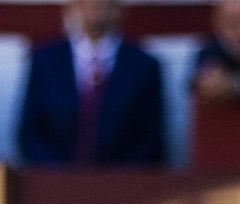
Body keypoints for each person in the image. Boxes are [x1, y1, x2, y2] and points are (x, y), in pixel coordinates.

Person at [17, 0, 166, 166]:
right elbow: (30, 132)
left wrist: (114, 182)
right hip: (55, 182)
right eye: (87, 3)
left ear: (119, 9)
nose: (95, 7)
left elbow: (150, 140)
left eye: (105, 3)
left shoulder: (143, 65)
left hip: (123, 184)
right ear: (73, 7)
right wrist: (60, 176)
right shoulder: (45, 60)